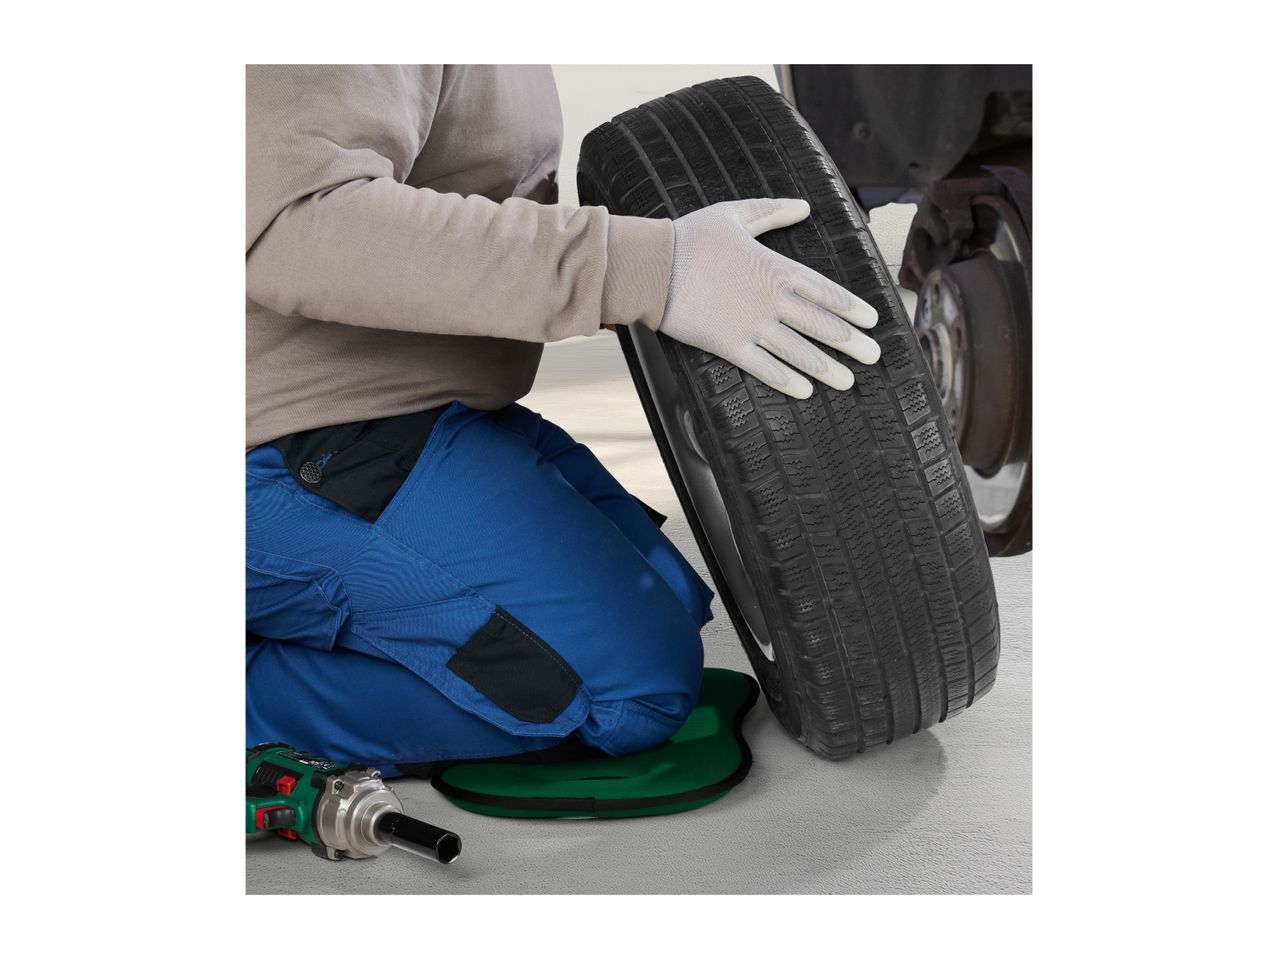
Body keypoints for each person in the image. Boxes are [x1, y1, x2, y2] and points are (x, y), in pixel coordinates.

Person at [246, 65, 881, 775]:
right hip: (280, 444)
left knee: (666, 594)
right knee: (624, 694)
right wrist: (648, 270)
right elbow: (298, 225)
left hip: (403, 412)